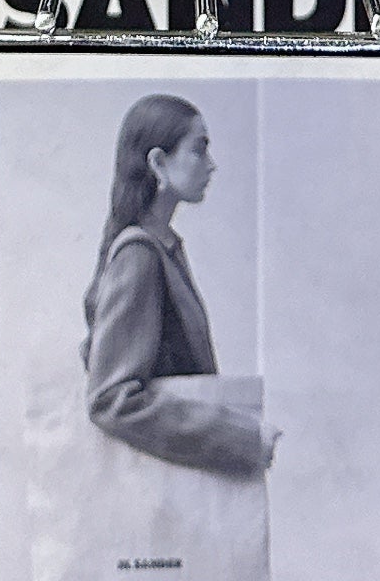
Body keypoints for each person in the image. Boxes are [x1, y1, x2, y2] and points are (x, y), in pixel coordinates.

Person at [80, 95, 280, 479]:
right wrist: (240, 438)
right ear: (158, 163)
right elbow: (110, 399)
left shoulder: (162, 249)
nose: (211, 164)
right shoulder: (140, 254)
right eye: (199, 149)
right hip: (162, 488)